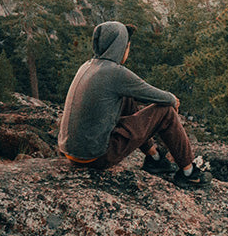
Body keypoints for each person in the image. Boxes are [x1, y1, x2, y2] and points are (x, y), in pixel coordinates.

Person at [57, 21, 210, 188]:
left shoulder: (87, 66)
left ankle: (155, 158)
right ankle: (189, 173)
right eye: (127, 46)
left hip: (72, 152)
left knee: (126, 98)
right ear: (120, 47)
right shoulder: (114, 72)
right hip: (96, 157)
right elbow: (160, 97)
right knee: (166, 111)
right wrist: (172, 99)